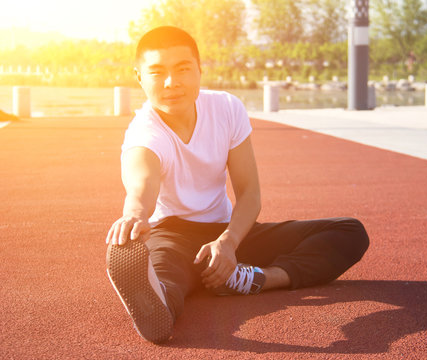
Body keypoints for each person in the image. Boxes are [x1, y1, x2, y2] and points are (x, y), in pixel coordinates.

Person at [105, 26, 369, 343]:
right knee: (166, 284)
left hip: (227, 232)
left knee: (349, 232)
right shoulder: (144, 134)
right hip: (171, 236)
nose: (171, 83)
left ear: (200, 70)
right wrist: (134, 215)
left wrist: (229, 243)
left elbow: (249, 194)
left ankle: (254, 279)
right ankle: (159, 299)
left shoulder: (226, 109)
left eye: (183, 69)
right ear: (139, 78)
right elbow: (141, 184)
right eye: (157, 72)